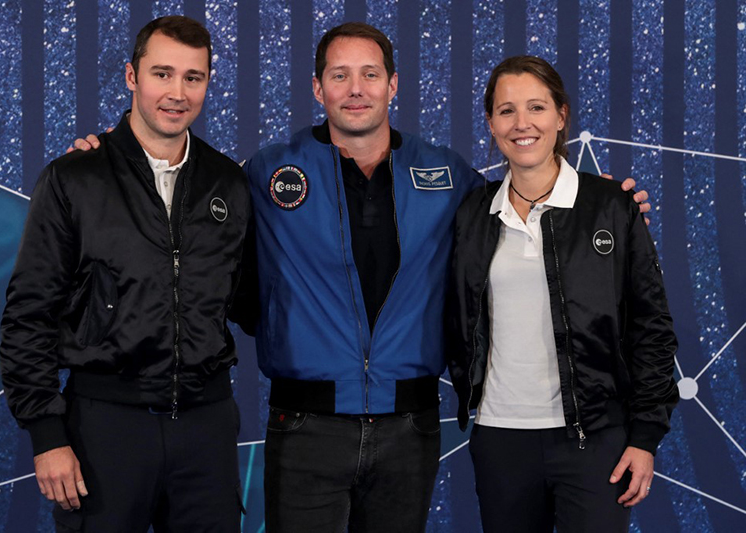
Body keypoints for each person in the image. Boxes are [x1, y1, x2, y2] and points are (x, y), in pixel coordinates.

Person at [71, 23, 650, 532]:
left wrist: (607, 206)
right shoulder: (267, 172)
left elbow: (525, 201)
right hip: (304, 427)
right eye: (340, 75)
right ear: (317, 88)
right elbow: (193, 217)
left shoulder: (449, 175)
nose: (356, 88)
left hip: (411, 428)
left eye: (370, 74)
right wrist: (113, 156)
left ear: (393, 85)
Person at [0, 16, 251, 532]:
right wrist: (47, 433)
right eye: (162, 74)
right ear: (132, 77)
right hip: (105, 426)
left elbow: (250, 301)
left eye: (193, 77)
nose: (177, 92)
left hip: (206, 426)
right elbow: (29, 314)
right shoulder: (74, 178)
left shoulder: (228, 182)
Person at [445, 55, 678, 533]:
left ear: (561, 115)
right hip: (500, 437)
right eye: (506, 110)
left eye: (536, 107)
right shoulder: (471, 213)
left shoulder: (612, 206)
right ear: (490, 122)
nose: (522, 123)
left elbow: (651, 326)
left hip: (595, 439)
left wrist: (645, 437)